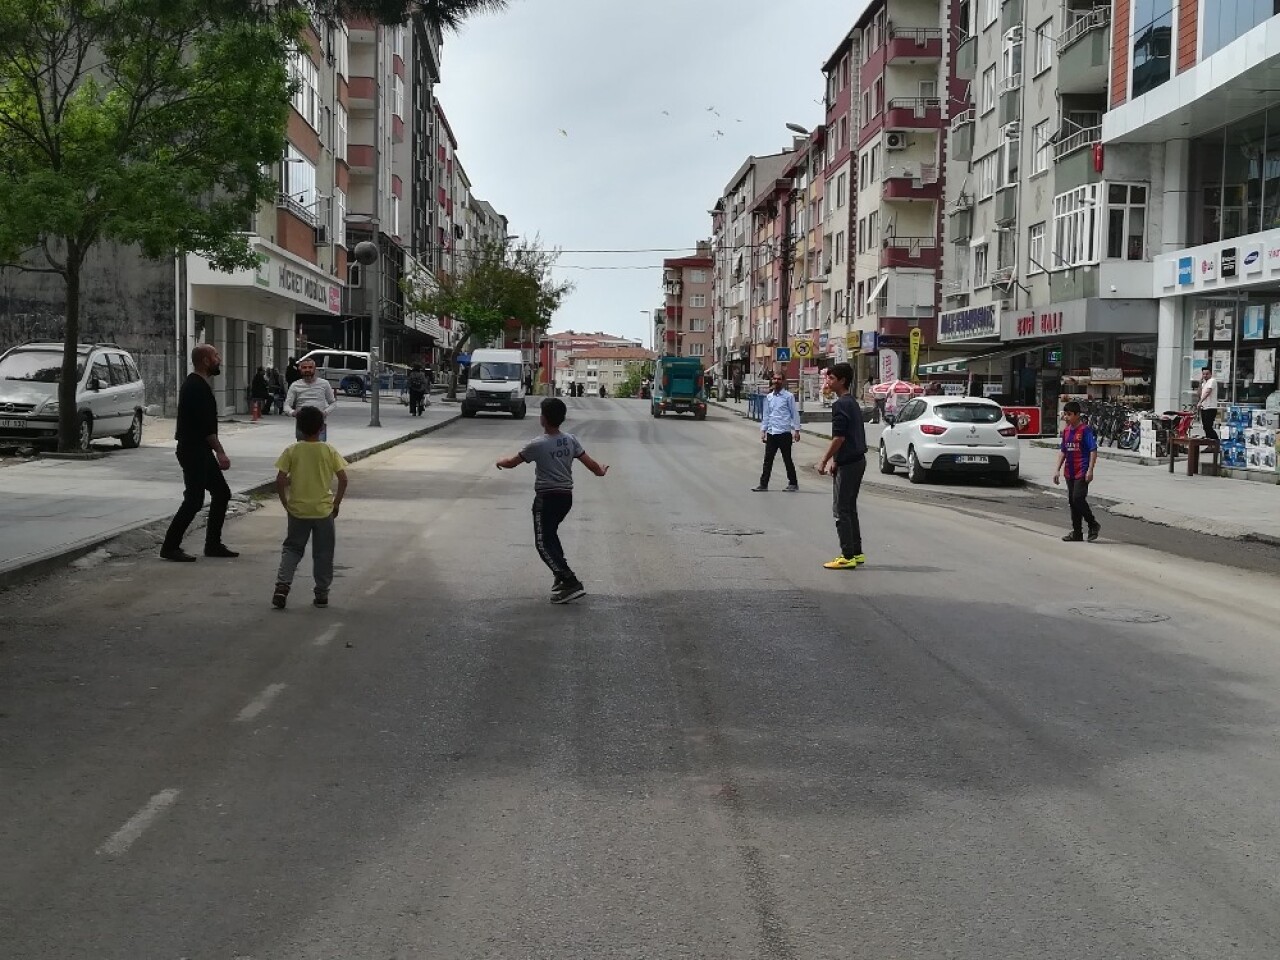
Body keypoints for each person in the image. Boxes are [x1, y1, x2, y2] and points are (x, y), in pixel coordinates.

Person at [495, 397, 609, 605]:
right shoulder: (570, 440)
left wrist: (499, 461)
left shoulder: (537, 444)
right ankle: (560, 577)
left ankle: (569, 580)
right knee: (551, 535)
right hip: (566, 498)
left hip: (546, 498)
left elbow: (512, 463)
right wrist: (600, 471)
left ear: (543, 419)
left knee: (543, 542)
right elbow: (590, 463)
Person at [160, 344, 237, 562]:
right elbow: (206, 428)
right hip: (193, 450)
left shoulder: (199, 385)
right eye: (215, 356)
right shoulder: (195, 387)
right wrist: (221, 453)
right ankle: (170, 546)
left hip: (199, 449)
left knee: (221, 493)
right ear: (205, 361)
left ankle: (213, 544)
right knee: (194, 499)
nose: (219, 359)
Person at [271, 406, 349, 609]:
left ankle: (282, 586)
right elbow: (343, 479)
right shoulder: (329, 450)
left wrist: (285, 503)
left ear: (299, 428)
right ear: (322, 427)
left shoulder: (292, 450)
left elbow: (280, 480)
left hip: (297, 510)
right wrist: (336, 503)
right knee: (323, 552)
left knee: (292, 549)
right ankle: (321, 593)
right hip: (324, 511)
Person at [818, 362, 867, 570]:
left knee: (840, 509)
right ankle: (856, 552)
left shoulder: (841, 405)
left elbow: (839, 438)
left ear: (842, 381)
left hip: (849, 463)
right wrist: (836, 460)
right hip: (856, 460)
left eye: (831, 378)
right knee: (850, 508)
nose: (827, 382)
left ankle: (847, 555)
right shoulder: (851, 402)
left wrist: (824, 460)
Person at [1053, 400, 1101, 543]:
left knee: (1078, 498)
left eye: (1069, 414)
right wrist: (1057, 470)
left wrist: (1090, 470)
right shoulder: (1066, 431)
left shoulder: (1085, 430)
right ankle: (1077, 532)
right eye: (1065, 414)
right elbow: (1063, 451)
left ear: (1077, 415)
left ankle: (1093, 524)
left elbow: (1093, 450)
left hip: (1082, 471)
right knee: (1073, 503)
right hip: (1069, 472)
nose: (1066, 417)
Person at [753, 374, 801, 492]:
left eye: (779, 379)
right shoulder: (769, 397)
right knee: (768, 460)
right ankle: (763, 484)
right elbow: (766, 415)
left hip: (784, 432)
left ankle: (793, 483)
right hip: (771, 432)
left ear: (783, 381)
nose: (776, 381)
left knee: (787, 459)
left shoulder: (788, 397)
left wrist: (797, 430)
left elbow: (794, 413)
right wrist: (763, 430)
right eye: (774, 379)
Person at [285, 356, 338, 440]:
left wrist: (324, 413)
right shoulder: (295, 385)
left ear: (315, 369)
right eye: (304, 367)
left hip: (319, 423)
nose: (307, 370)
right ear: (300, 369)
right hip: (302, 424)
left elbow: (333, 403)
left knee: (319, 450)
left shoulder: (324, 384)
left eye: (310, 367)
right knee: (302, 450)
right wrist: (293, 413)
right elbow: (287, 405)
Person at [1196, 367, 1219, 441]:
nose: (1205, 375)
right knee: (1205, 426)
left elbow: (1207, 392)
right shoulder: (1204, 383)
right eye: (1203, 374)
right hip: (1204, 407)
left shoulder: (1212, 381)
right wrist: (1200, 384)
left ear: (1210, 374)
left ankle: (1216, 441)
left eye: (1207, 374)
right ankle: (1209, 443)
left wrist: (1200, 402)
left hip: (1211, 407)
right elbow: (1199, 394)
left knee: (1208, 426)